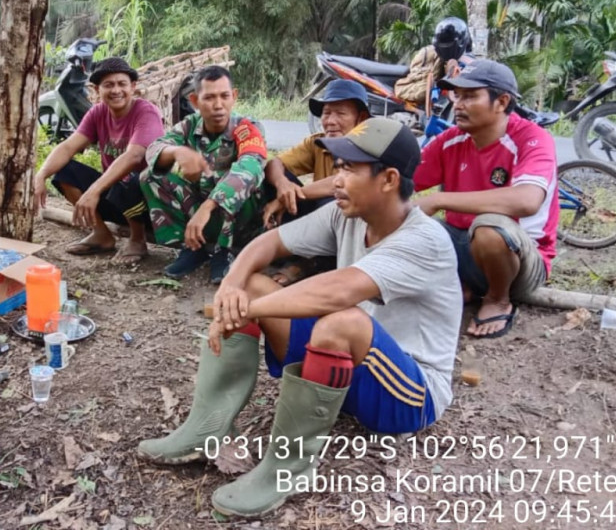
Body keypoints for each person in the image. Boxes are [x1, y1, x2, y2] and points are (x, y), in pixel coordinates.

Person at [137, 118, 462, 517]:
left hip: (411, 394)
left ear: (389, 179)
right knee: (253, 285)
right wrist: (230, 290)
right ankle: (208, 426)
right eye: (337, 166)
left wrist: (243, 311)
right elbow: (268, 242)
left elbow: (339, 291)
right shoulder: (346, 216)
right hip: (349, 370)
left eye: (349, 169)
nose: (336, 179)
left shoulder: (424, 240)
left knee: (340, 320)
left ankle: (288, 467)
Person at [413, 60, 558, 339]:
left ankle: (497, 298)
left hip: (521, 263)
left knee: (489, 228)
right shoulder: (451, 139)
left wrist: (440, 199)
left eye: (469, 96)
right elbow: (399, 178)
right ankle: (461, 284)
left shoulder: (532, 138)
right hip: (465, 246)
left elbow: (527, 200)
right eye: (456, 95)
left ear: (501, 102)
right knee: (407, 219)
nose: (458, 104)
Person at [141, 65, 267, 284]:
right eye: (209, 97)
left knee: (235, 180)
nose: (218, 105)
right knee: (150, 177)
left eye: (224, 96)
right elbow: (155, 148)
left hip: (241, 220)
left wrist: (208, 207)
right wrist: (177, 151)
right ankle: (192, 248)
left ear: (234, 96)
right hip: (202, 212)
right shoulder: (189, 126)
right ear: (194, 101)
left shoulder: (246, 127)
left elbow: (251, 166)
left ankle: (226, 251)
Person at [33, 57, 164, 263]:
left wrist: (93, 191)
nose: (116, 90)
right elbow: (68, 147)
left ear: (133, 87)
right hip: (118, 199)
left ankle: (137, 239)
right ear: (96, 89)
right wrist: (40, 175)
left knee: (127, 177)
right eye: (108, 85)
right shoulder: (97, 113)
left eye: (122, 84)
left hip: (151, 204)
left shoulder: (145, 111)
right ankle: (102, 235)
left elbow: (135, 155)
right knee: (65, 172)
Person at [262, 79, 370, 285]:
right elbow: (275, 163)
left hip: (351, 221)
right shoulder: (317, 142)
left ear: (361, 118)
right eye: (327, 113)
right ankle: (284, 249)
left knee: (335, 202)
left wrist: (286, 198)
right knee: (273, 181)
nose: (330, 120)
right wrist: (283, 186)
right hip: (318, 218)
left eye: (340, 113)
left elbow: (343, 182)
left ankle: (312, 263)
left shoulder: (369, 146)